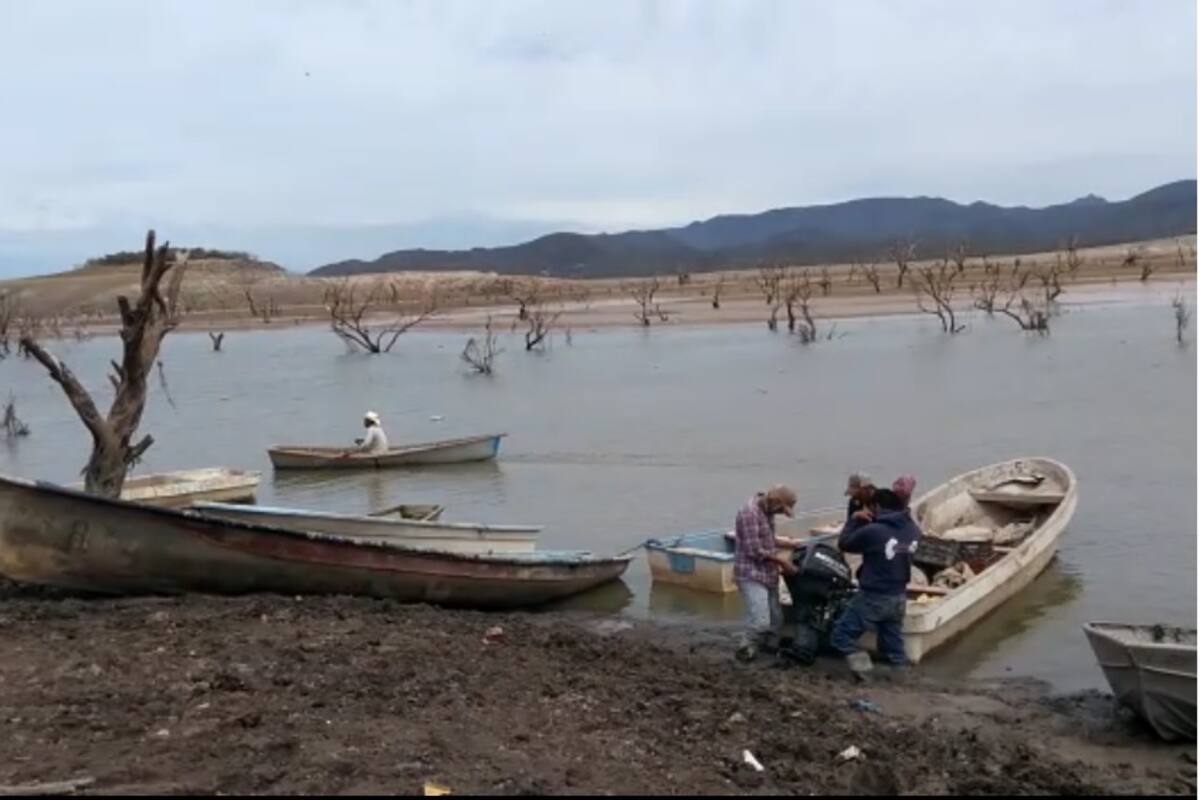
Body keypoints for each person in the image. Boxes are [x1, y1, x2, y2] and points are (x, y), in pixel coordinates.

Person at [830, 487, 921, 671]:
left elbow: (845, 543)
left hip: (874, 595)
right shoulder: (913, 529)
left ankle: (865, 671)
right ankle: (902, 678)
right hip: (899, 596)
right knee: (893, 647)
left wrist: (854, 520)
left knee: (841, 637)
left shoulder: (874, 531)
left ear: (876, 507)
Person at [733, 485, 799, 662]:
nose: (780, 513)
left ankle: (767, 650)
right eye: (781, 509)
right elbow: (753, 550)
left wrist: (791, 545)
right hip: (750, 573)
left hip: (768, 573)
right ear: (775, 501)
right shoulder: (750, 513)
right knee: (760, 619)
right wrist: (782, 562)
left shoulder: (767, 511)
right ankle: (745, 650)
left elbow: (768, 539)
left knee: (776, 620)